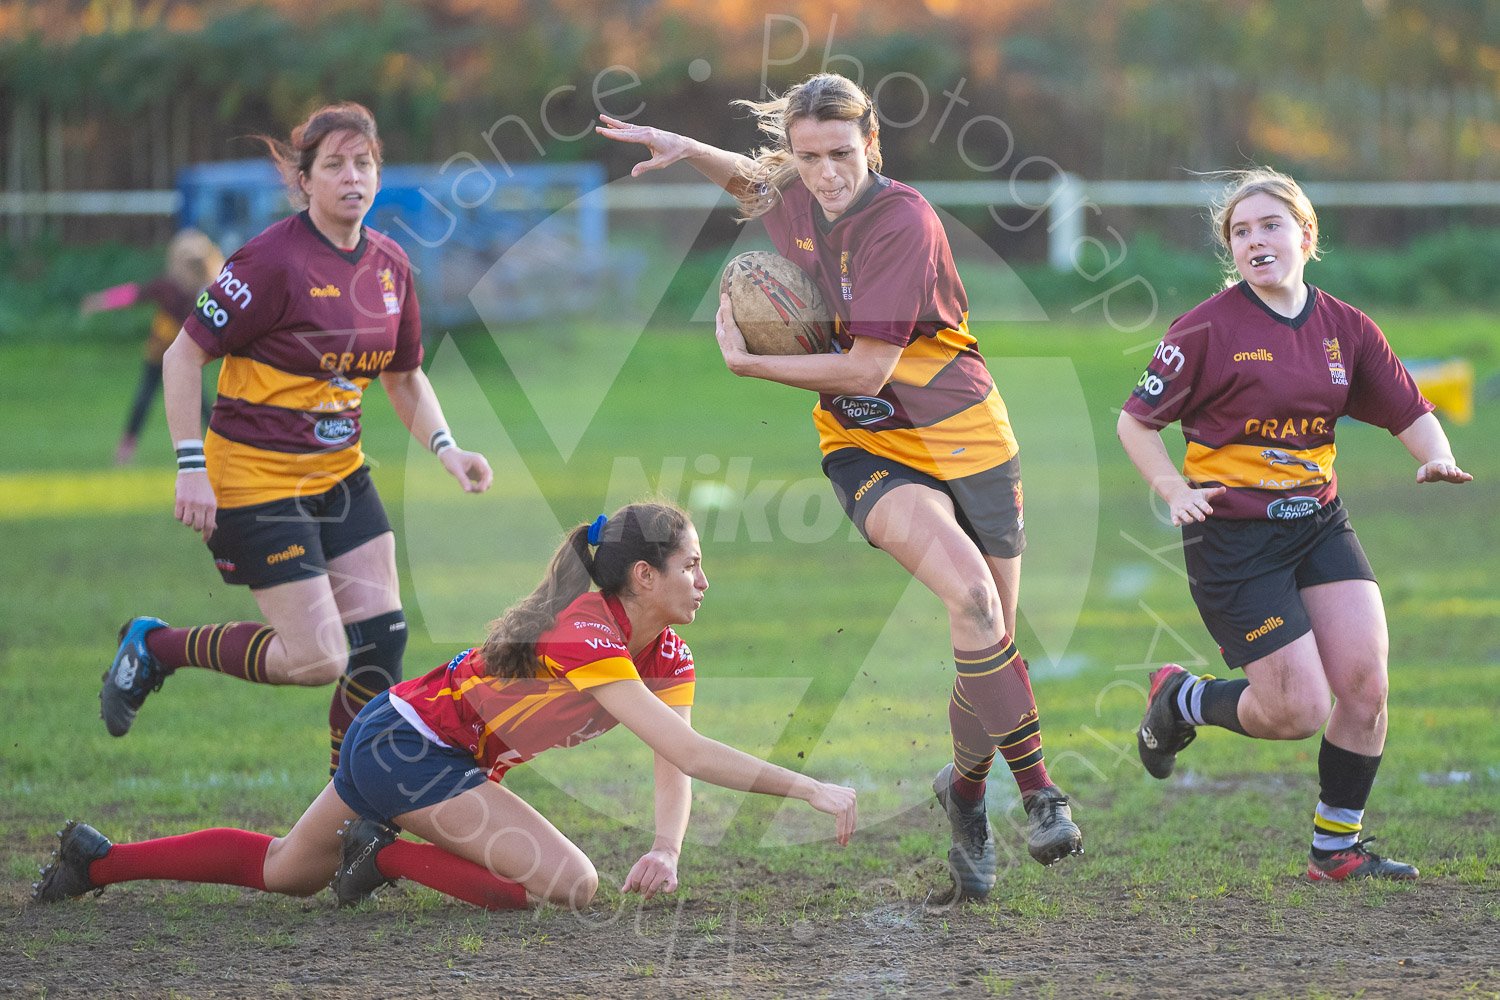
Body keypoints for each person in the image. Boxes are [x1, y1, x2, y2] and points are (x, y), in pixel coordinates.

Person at [598, 73, 1082, 901]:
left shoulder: (903, 222)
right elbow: (756, 185)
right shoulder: (795, 191)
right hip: (869, 445)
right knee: (972, 600)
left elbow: (867, 365)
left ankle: (964, 792)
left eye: (842, 155)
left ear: (872, 146)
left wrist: (753, 362)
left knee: (987, 641)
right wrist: (687, 152)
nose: (825, 173)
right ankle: (1040, 793)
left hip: (969, 440)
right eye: (809, 156)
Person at [37, 504, 858, 910]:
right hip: (408, 746)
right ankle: (381, 852)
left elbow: (672, 751)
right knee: (567, 885)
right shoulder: (587, 634)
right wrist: (810, 789)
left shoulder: (665, 650)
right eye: (693, 565)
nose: (704, 580)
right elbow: (693, 754)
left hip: (405, 740)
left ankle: (98, 862)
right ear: (642, 577)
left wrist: (668, 849)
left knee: (283, 873)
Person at [99, 102, 493, 777]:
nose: (352, 177)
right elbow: (182, 357)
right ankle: (157, 646)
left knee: (381, 643)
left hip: (340, 475)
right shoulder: (270, 262)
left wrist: (447, 449)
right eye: (334, 164)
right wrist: (190, 466)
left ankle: (352, 809)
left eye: (364, 163)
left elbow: (404, 378)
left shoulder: (392, 267)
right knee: (318, 660)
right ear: (303, 180)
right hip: (253, 482)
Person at [1117, 168, 1472, 881]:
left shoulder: (1344, 327)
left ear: (1305, 235)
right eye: (1240, 232)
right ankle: (1181, 698)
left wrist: (1438, 456)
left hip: (1318, 523)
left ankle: (1336, 849)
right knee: (1297, 709)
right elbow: (1135, 421)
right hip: (1233, 537)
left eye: (1269, 226)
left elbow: (1409, 407)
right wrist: (1170, 487)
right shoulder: (1207, 329)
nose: (1255, 241)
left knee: (1366, 686)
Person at [81, 228, 223, 465]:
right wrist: (100, 301)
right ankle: (126, 447)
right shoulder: (165, 287)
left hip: (186, 360)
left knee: (200, 402)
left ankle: (219, 443)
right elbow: (133, 295)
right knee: (144, 399)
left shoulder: (204, 293)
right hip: (157, 356)